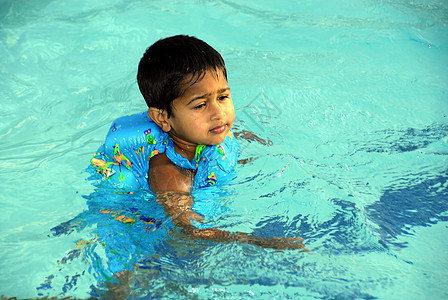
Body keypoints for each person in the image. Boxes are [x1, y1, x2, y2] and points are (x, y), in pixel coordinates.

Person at [91, 35, 305, 250]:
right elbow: (186, 232)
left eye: (222, 97)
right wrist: (256, 241)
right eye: (200, 105)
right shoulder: (171, 174)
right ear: (163, 119)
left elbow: (230, 139)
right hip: (144, 233)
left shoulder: (202, 133)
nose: (218, 113)